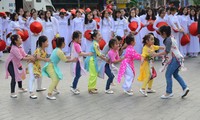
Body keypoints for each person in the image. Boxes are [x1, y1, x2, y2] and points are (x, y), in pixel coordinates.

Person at [152, 26, 189, 99]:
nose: (160, 35)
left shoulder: (168, 40)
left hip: (175, 59)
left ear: (164, 33)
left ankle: (169, 92)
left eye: (160, 34)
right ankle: (185, 87)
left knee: (168, 74)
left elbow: (167, 51)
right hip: (179, 58)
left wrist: (157, 54)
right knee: (175, 74)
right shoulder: (171, 37)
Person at [84, 30, 108, 94]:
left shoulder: (95, 43)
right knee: (93, 74)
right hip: (92, 60)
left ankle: (92, 87)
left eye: (100, 35)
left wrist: (102, 55)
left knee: (93, 74)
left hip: (93, 59)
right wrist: (105, 59)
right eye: (99, 35)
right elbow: (98, 54)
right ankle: (91, 88)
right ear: (94, 37)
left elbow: (98, 53)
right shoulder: (96, 44)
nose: (100, 36)